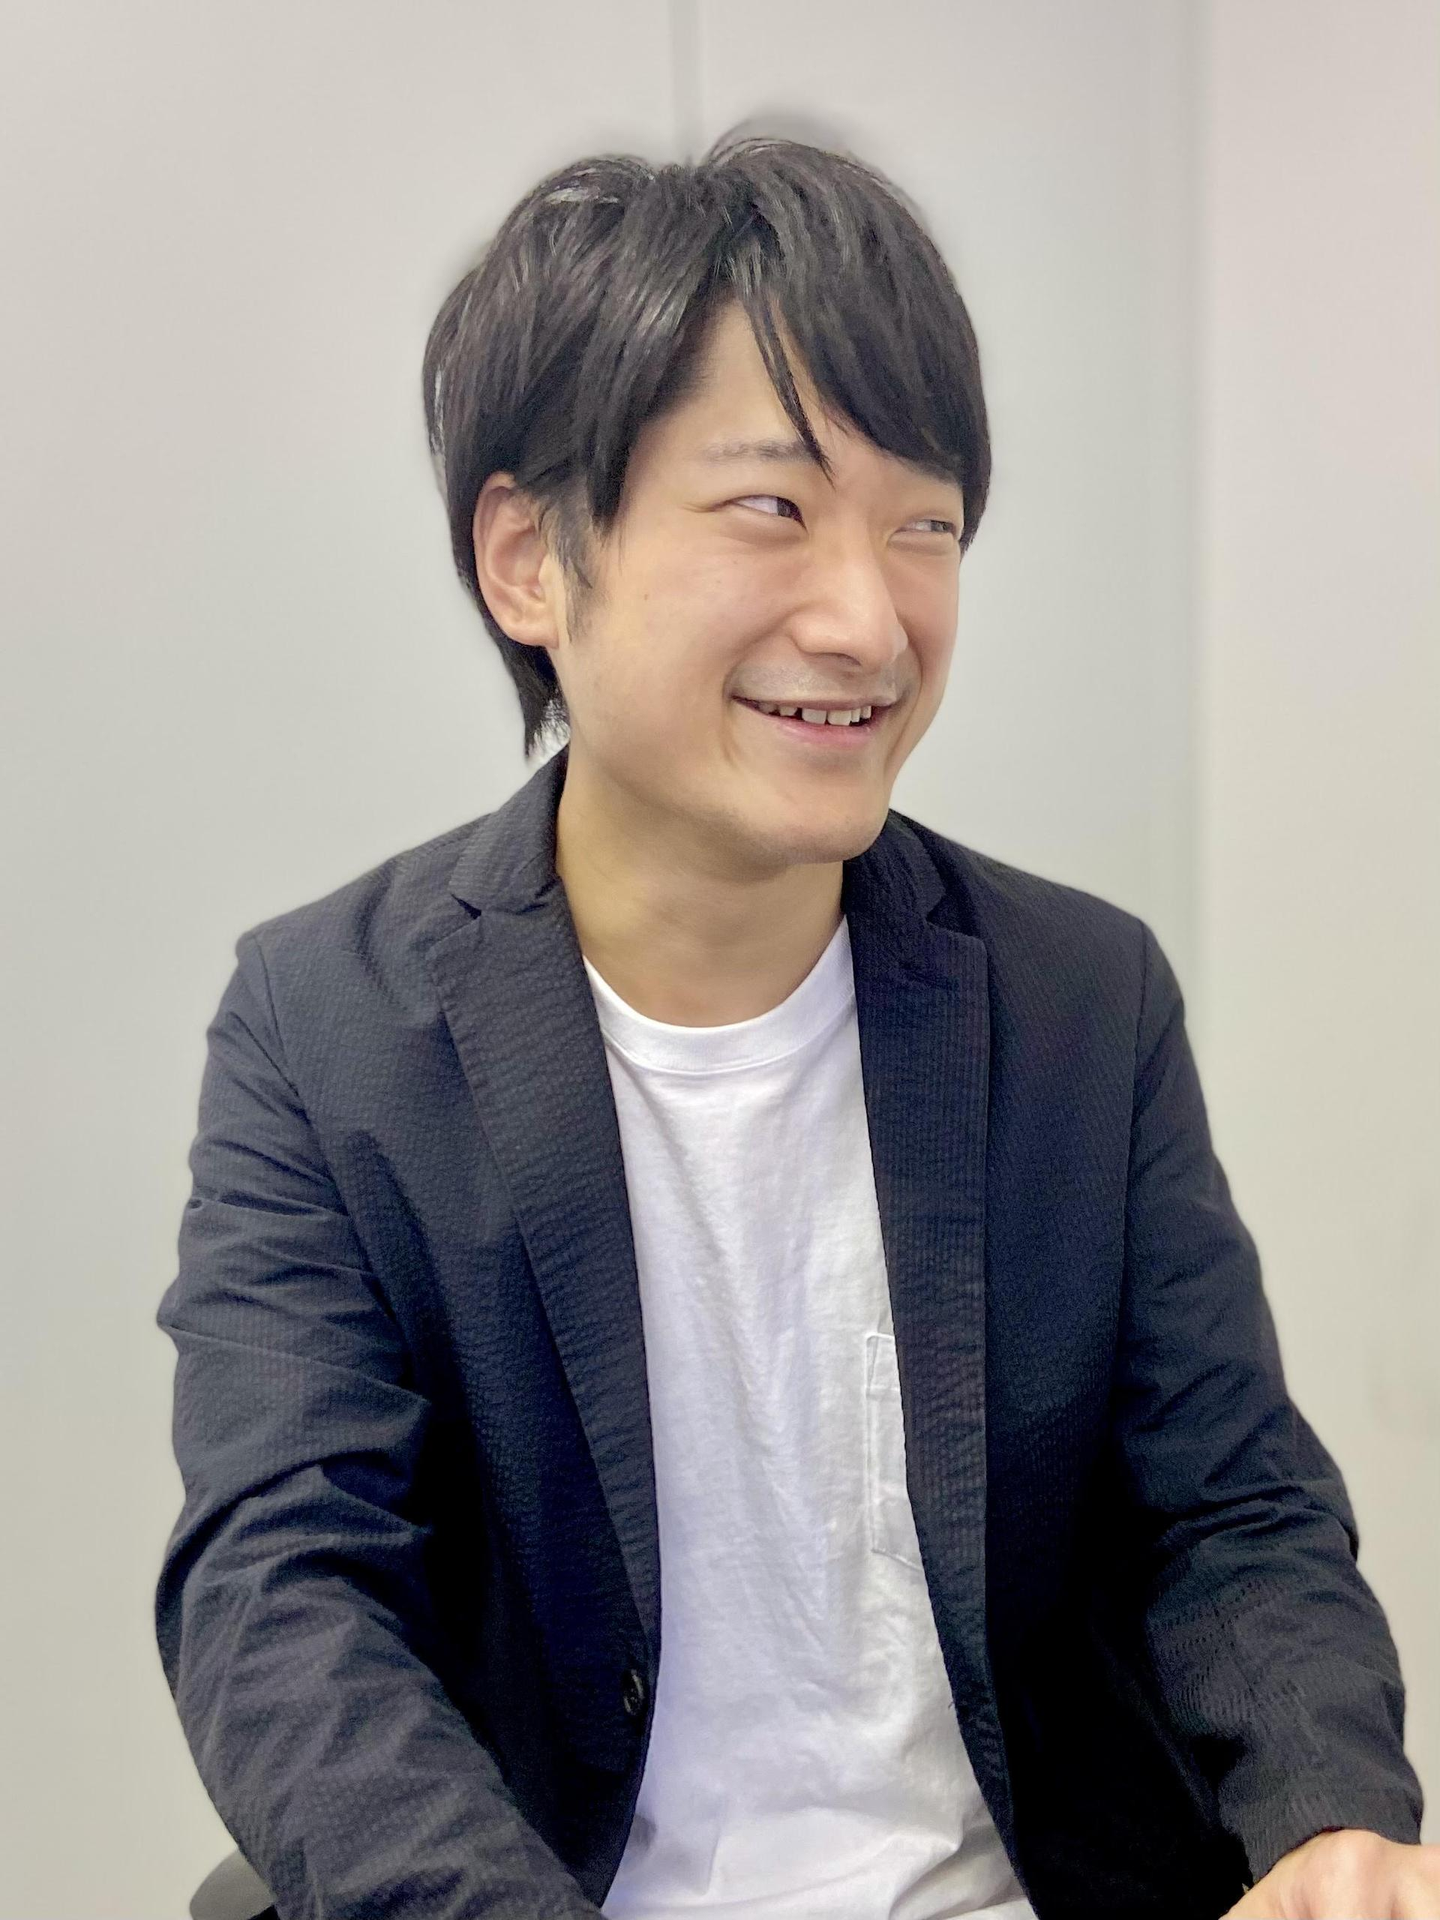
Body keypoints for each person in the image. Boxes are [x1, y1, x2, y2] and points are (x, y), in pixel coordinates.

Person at [156, 130, 1435, 1920]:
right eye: (773, 508)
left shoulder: (1082, 1004)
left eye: (925, 526)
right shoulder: (326, 1027)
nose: (868, 618)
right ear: (530, 559)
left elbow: (1230, 1511)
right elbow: (285, 1594)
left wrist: (1326, 1818)